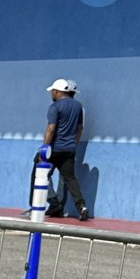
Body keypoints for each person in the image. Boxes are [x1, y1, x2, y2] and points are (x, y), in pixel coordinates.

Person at [44, 79, 90, 220]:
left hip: (54, 149)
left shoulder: (55, 106)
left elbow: (51, 129)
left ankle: (52, 202)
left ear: (57, 92)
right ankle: (81, 206)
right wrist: (73, 143)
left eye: (53, 91)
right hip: (69, 149)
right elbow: (80, 128)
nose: (51, 93)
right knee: (69, 179)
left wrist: (45, 147)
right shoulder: (79, 107)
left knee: (39, 173)